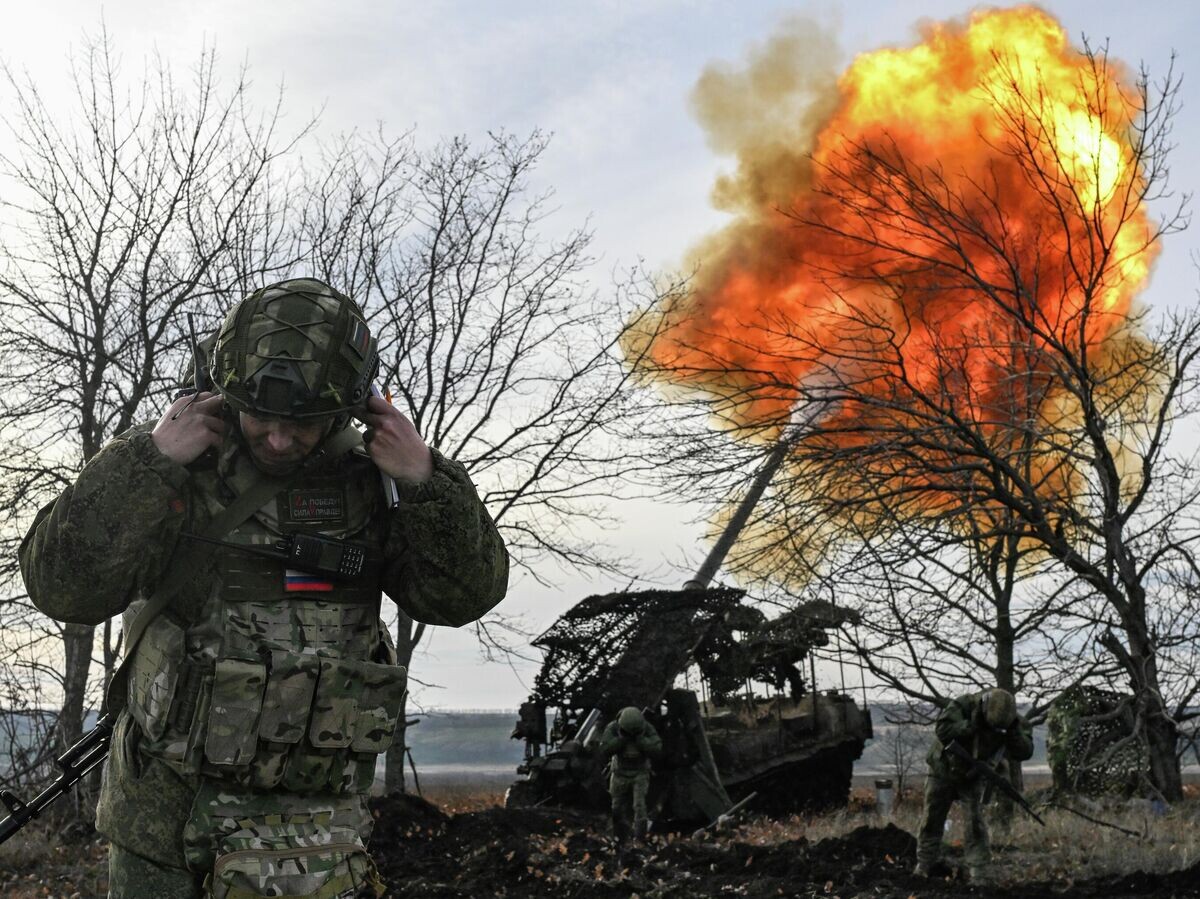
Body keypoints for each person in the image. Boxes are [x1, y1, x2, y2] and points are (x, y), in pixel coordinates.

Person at [19, 278, 509, 898]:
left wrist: (428, 480)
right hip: (167, 836)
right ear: (226, 393)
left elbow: (465, 596)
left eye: (301, 424)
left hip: (318, 842)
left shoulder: (377, 481)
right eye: (261, 417)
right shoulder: (174, 465)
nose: (278, 439)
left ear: (347, 408)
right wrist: (148, 459)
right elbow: (60, 587)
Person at [914, 688, 1034, 883]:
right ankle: (925, 864)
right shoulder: (964, 705)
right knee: (932, 818)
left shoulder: (1013, 722)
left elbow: (1025, 751)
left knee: (975, 823)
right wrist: (970, 726)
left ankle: (979, 872)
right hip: (942, 769)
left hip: (973, 775)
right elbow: (943, 730)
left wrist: (1013, 734)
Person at [598, 706, 662, 846]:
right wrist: (621, 740)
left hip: (639, 773)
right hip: (619, 772)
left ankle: (639, 839)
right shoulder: (613, 728)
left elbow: (657, 749)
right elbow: (604, 749)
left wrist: (641, 740)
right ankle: (617, 836)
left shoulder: (647, 728)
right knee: (616, 806)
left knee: (639, 806)